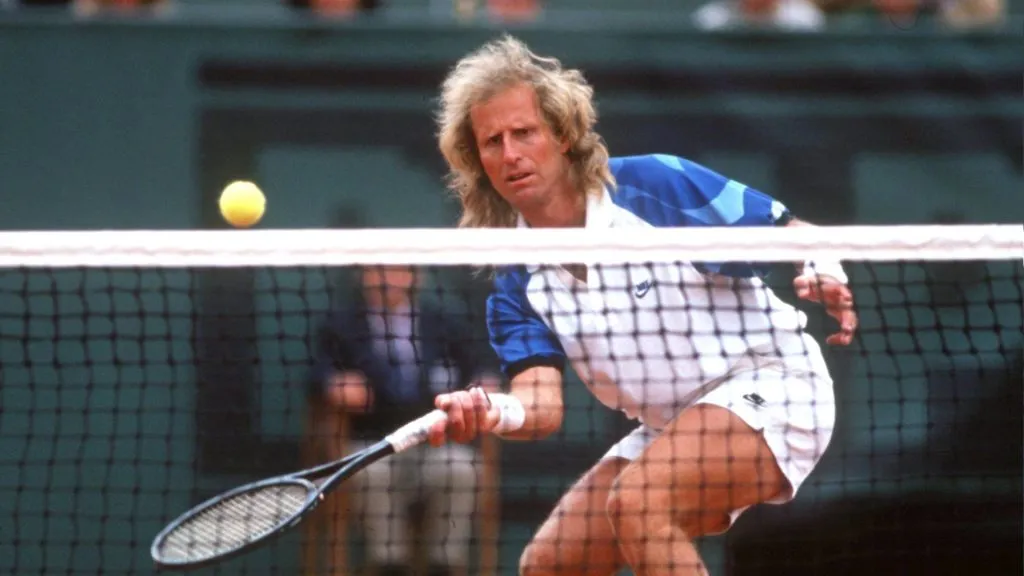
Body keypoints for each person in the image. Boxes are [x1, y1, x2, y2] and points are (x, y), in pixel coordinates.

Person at [426, 35, 859, 576]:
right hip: (673, 424)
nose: (511, 153)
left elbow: (790, 230)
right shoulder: (516, 282)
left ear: (562, 134)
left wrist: (823, 267)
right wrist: (492, 410)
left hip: (775, 383)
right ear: (480, 162)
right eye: (492, 142)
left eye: (525, 132)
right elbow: (541, 405)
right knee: (548, 565)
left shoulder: (654, 186)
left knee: (638, 504)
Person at [309, 264, 499, 576]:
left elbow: (479, 368)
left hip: (436, 442)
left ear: (415, 276)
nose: (389, 279)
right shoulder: (340, 325)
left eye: (399, 270)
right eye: (379, 270)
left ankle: (444, 567)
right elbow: (317, 374)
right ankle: (390, 566)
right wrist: (334, 384)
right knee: (370, 473)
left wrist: (484, 386)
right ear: (364, 275)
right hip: (371, 445)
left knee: (462, 469)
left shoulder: (443, 322)